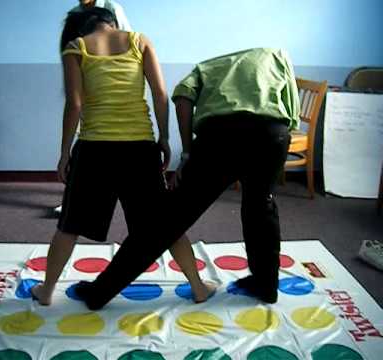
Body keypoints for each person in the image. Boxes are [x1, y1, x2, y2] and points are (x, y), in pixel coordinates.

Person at [74, 48, 301, 310]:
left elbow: (182, 98)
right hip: (271, 134)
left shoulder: (206, 66)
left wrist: (188, 153)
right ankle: (266, 286)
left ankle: (100, 292)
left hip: (220, 137)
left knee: (167, 220)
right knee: (261, 206)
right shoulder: (276, 55)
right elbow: (291, 110)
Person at [31, 8, 215, 306]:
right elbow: (160, 93)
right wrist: (165, 138)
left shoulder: (75, 47)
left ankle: (47, 292)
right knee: (163, 225)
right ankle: (197, 287)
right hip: (139, 150)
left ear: (80, 28)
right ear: (112, 22)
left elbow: (75, 105)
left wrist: (64, 152)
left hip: (94, 150)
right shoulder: (139, 40)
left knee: (69, 225)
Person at [54, 0, 132, 215]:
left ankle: (118, 196)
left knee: (116, 138)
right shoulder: (75, 13)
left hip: (112, 80)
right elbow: (67, 45)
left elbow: (126, 41)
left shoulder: (112, 8)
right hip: (84, 72)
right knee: (83, 133)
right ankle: (73, 199)